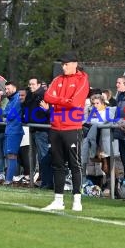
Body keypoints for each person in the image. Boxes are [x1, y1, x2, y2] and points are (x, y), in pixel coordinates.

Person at [42, 51, 90, 211]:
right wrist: (65, 101)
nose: (64, 67)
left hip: (72, 127)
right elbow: (47, 97)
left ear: (75, 64)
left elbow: (76, 103)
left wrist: (59, 101)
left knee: (75, 164)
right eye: (62, 64)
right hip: (55, 127)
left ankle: (77, 199)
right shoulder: (57, 79)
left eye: (66, 64)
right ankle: (58, 199)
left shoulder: (82, 79)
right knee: (57, 164)